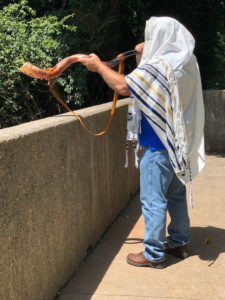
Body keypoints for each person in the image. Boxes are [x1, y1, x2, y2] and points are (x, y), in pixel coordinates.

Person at [78, 16, 205, 268]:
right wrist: (142, 51)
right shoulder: (186, 61)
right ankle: (179, 242)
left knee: (153, 199)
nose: (148, 41)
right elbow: (147, 77)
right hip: (177, 145)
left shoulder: (159, 65)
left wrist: (100, 67)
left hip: (157, 145)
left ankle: (153, 253)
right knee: (175, 196)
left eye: (151, 35)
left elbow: (124, 86)